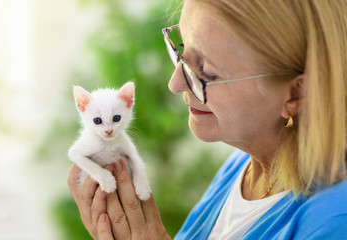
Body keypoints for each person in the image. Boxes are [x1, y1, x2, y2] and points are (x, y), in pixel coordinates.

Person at [67, 0, 347, 239]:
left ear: (297, 93)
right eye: (180, 51)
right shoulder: (240, 167)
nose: (175, 84)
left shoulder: (333, 222)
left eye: (207, 72)